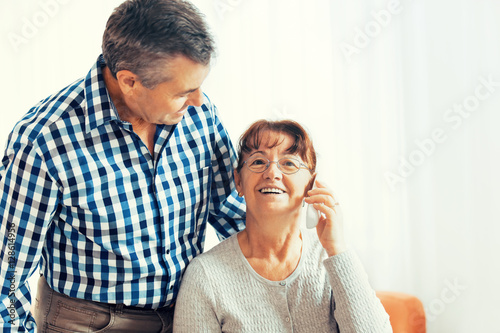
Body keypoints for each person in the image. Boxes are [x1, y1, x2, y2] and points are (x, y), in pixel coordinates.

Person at [0, 0, 246, 332]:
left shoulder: (198, 114)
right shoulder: (43, 142)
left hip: (189, 315)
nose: (199, 100)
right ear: (129, 81)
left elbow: (234, 214)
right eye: (183, 91)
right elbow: (6, 276)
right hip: (89, 322)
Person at [173, 119, 392, 332]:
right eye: (258, 162)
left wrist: (338, 249)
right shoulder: (205, 275)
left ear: (311, 185)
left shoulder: (330, 258)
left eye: (289, 163)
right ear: (238, 181)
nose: (272, 173)